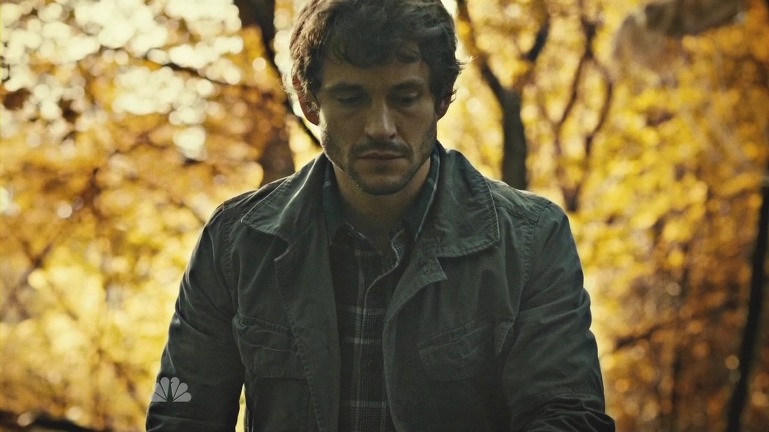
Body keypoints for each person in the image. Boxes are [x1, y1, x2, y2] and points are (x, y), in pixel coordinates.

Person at [146, 0, 615, 430]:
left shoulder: (530, 240)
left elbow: (568, 416)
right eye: (352, 99)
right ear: (308, 101)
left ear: (442, 98)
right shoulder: (236, 243)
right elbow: (180, 413)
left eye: (405, 97)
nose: (381, 127)